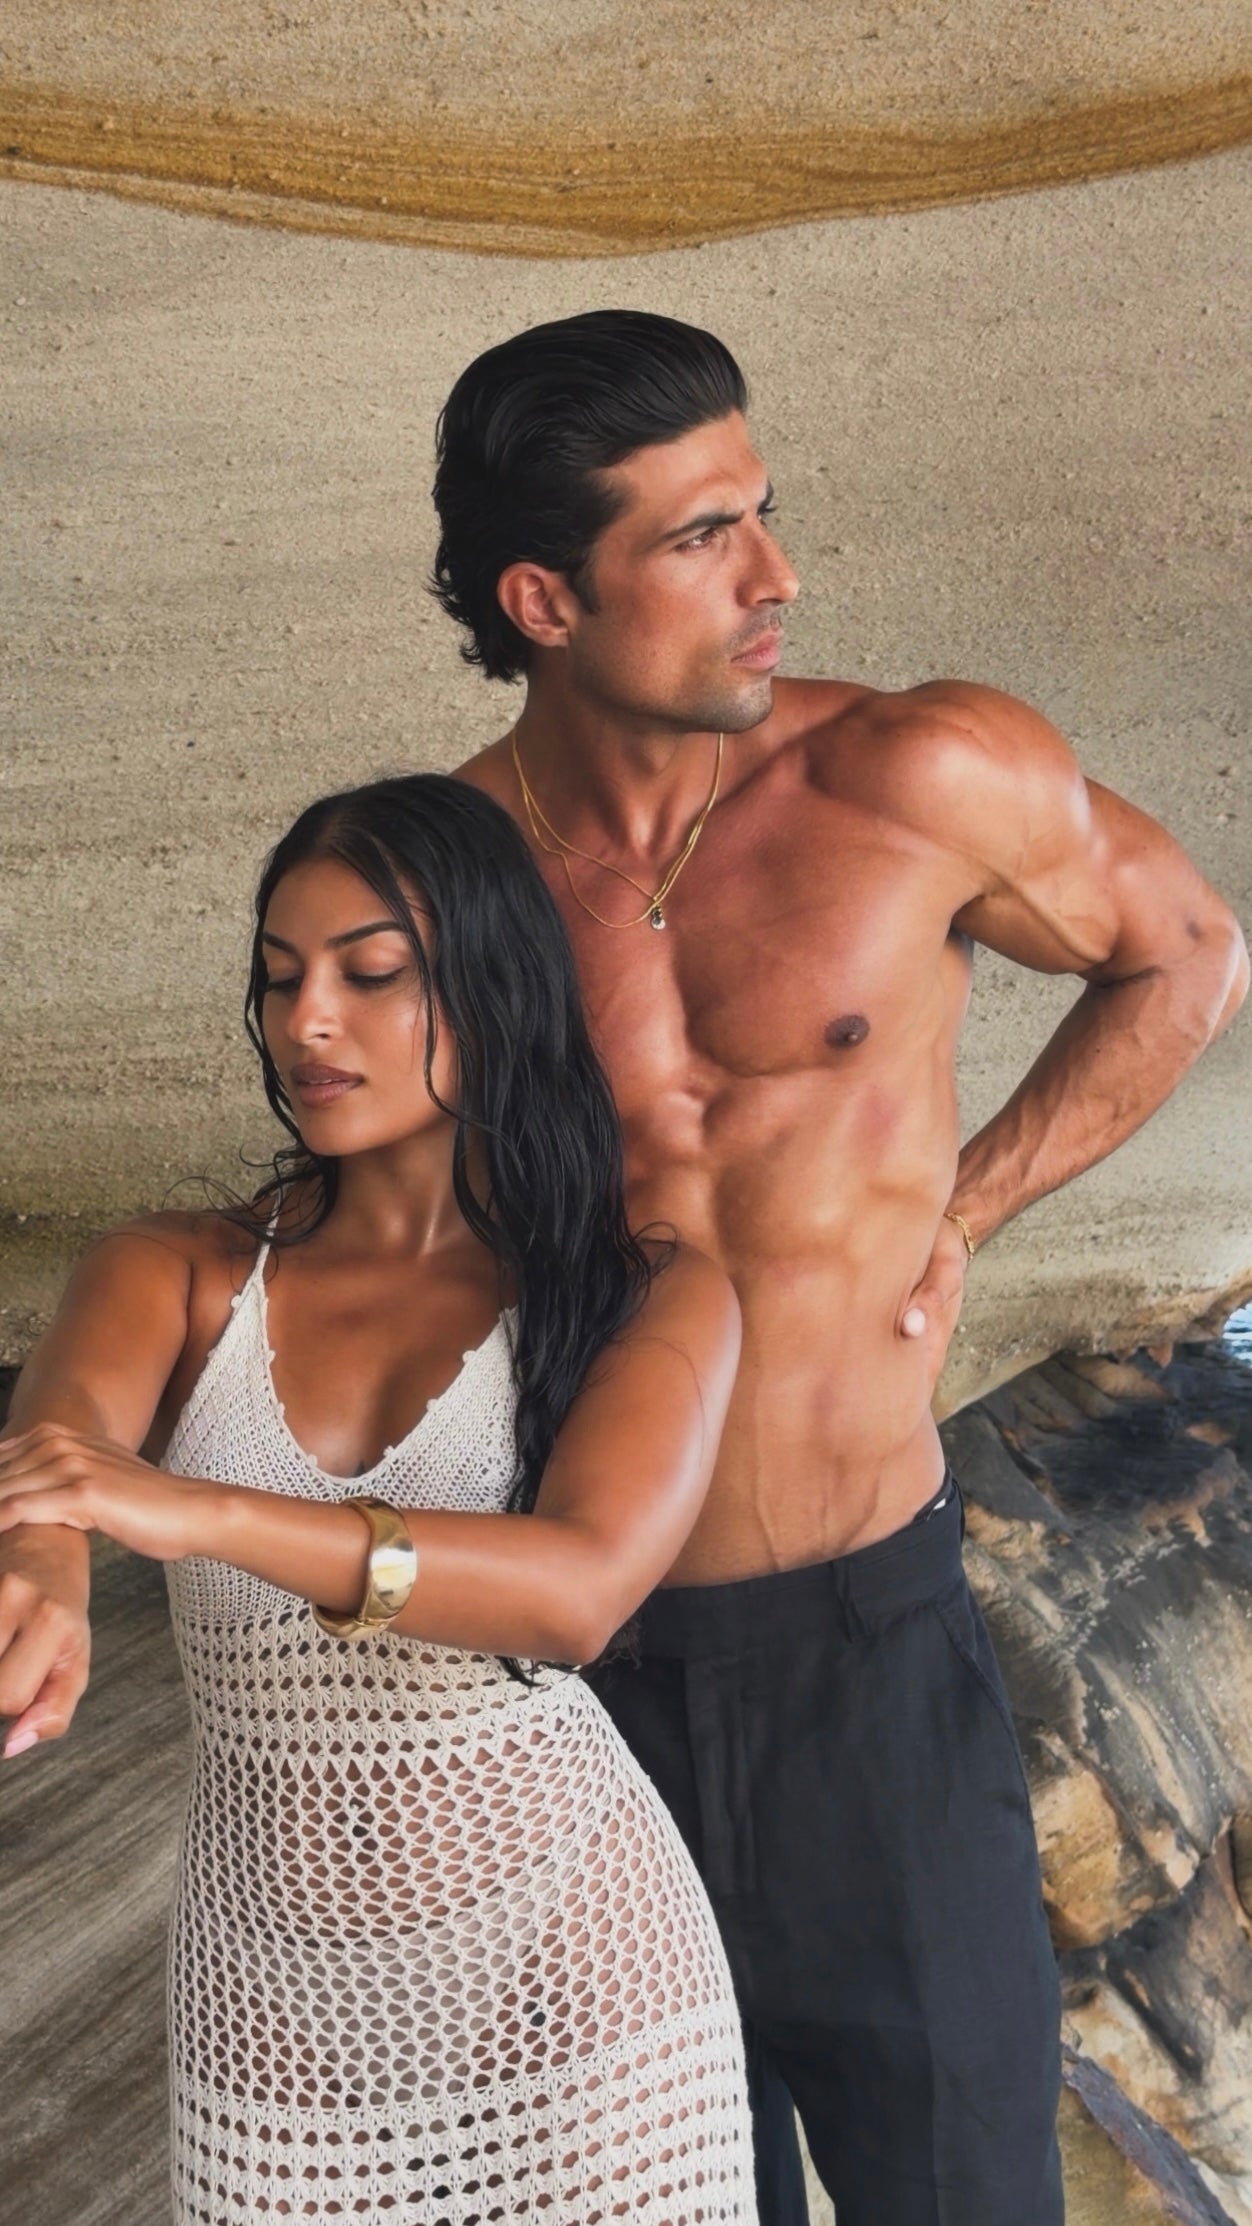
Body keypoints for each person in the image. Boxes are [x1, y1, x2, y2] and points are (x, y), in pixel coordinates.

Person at [435, 309, 1251, 2226]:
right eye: (701, 537)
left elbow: (1186, 949)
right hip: (581, 1674)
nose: (776, 575)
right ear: (544, 599)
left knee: (959, 2192)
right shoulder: (444, 880)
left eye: (764, 510)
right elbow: (347, 1240)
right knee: (652, 2196)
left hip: (869, 1653)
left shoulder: (919, 773)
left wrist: (967, 1207)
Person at [0, 774, 761, 2226]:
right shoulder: (174, 1270)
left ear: (490, 986)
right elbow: (61, 1446)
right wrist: (45, 1560)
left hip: (578, 1991)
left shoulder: (644, 1291)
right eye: (280, 977)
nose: (307, 1021)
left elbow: (579, 1590)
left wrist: (201, 1512)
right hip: (271, 2018)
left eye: (369, 973)